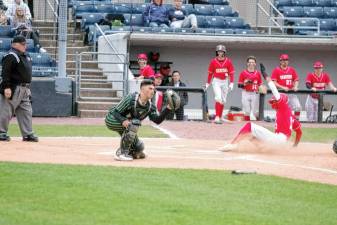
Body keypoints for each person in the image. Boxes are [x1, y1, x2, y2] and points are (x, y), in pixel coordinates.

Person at [221, 65, 302, 151]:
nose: (272, 103)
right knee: (250, 134)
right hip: (280, 142)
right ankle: (261, 147)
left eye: (274, 101)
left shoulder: (283, 106)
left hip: (278, 139)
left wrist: (265, 75)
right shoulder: (290, 116)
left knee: (249, 125)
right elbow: (299, 132)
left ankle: (233, 144)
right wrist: (295, 145)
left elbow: (274, 89)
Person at [105, 79, 173, 161]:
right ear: (142, 89)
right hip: (112, 119)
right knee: (134, 124)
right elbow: (115, 112)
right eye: (150, 89)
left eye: (153, 89)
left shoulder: (150, 106)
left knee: (139, 146)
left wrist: (168, 108)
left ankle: (126, 152)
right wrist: (123, 120)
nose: (153, 91)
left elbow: (157, 120)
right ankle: (122, 153)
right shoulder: (130, 98)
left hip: (128, 124)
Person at [0, 35, 38, 142]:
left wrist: (28, 88)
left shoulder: (26, 55)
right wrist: (7, 87)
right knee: (6, 110)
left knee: (26, 111)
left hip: (24, 88)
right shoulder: (11, 55)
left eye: (25, 44)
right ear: (14, 44)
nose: (25, 46)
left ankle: (27, 133)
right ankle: (1, 132)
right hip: (13, 86)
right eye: (23, 44)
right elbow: (5, 73)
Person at [205, 44, 235, 124]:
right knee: (218, 98)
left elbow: (231, 73)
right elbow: (210, 73)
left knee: (223, 100)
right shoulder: (213, 61)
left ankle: (220, 117)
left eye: (221, 51)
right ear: (216, 52)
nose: (220, 52)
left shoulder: (228, 61)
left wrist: (231, 83)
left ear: (224, 52)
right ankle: (217, 116)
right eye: (218, 51)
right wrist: (207, 83)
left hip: (225, 81)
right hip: (216, 81)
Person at [271, 54, 301, 120]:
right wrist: (282, 87)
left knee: (298, 107)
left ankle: (296, 122)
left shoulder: (292, 70)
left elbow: (296, 80)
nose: (285, 61)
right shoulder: (276, 70)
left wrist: (295, 86)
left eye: (286, 60)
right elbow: (274, 82)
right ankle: (281, 123)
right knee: (282, 110)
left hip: (291, 92)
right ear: (280, 61)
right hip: (281, 93)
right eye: (283, 60)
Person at [238, 56, 263, 121]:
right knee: (247, 111)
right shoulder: (243, 73)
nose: (251, 64)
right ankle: (249, 120)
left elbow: (260, 84)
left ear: (255, 64)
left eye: (252, 62)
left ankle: (252, 123)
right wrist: (245, 83)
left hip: (254, 93)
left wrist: (261, 89)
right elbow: (239, 85)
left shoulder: (258, 73)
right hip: (245, 92)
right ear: (247, 63)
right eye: (249, 62)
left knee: (254, 111)